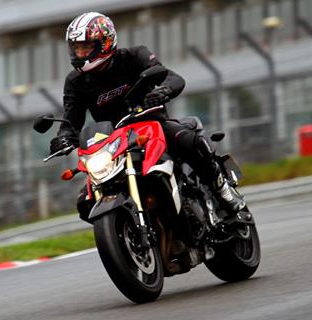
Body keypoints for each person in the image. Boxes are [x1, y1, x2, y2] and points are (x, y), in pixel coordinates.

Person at [50, 12, 245, 222]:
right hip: (113, 141)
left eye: (86, 47)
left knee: (189, 141)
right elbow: (72, 119)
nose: (80, 53)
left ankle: (223, 191)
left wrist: (162, 91)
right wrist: (63, 137)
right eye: (76, 48)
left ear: (104, 42)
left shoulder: (134, 56)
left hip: (153, 124)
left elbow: (172, 77)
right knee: (84, 201)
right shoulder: (75, 81)